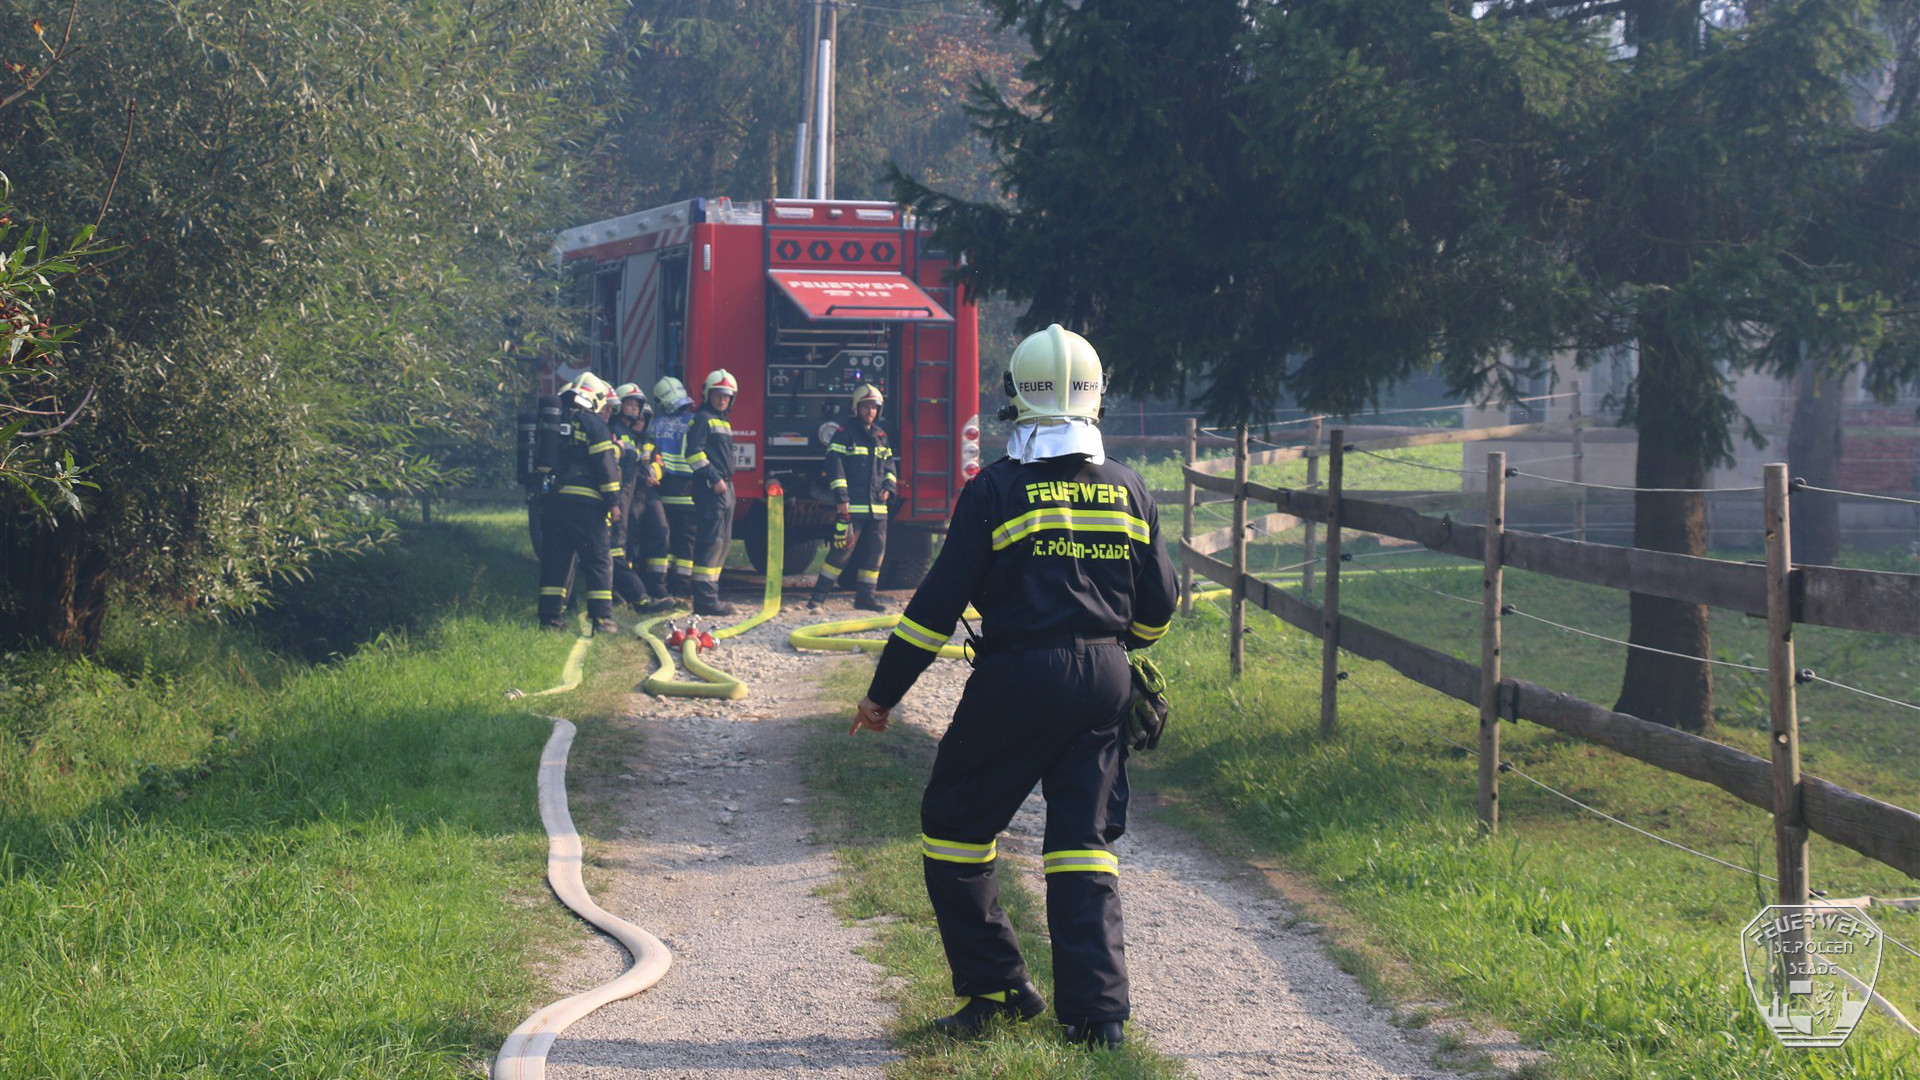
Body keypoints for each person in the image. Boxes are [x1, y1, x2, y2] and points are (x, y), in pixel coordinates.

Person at [849, 325, 1176, 1050]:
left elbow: (934, 610)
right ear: (1095, 399)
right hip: (1105, 680)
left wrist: (883, 695)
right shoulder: (1129, 488)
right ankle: (1098, 1019)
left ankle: (997, 988)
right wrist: (1119, 654)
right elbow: (1158, 609)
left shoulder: (994, 490)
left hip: (1018, 677)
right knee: (1083, 845)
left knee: (955, 825)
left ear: (1015, 398)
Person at [537, 372, 624, 634]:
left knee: (557, 558)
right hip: (586, 504)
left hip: (554, 501)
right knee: (597, 559)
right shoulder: (594, 424)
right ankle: (602, 619)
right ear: (595, 399)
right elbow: (605, 467)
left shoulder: (557, 420)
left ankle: (550, 618)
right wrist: (614, 502)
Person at [808, 382, 897, 612]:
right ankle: (817, 598)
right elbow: (834, 467)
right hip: (852, 507)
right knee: (841, 551)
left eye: (874, 407)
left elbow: (889, 466)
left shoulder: (881, 436)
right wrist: (842, 499)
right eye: (866, 407)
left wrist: (889, 486)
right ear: (856, 408)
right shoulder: (844, 434)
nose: (870, 412)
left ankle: (865, 598)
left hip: (878, 508)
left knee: (875, 554)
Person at [609, 383, 674, 612]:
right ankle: (629, 595)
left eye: (638, 407)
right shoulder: (615, 431)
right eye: (630, 404)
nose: (635, 411)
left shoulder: (641, 439)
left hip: (639, 495)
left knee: (651, 535)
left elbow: (658, 464)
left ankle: (649, 590)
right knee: (619, 545)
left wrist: (652, 474)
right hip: (622, 496)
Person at [685, 369, 741, 616]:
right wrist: (714, 478)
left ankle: (711, 596)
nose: (722, 399)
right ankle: (706, 601)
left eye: (727, 396)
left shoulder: (722, 421)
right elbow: (693, 454)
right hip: (712, 489)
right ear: (708, 394)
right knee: (711, 542)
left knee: (722, 543)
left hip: (725, 488)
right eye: (718, 395)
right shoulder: (703, 418)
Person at [650, 376, 698, 598]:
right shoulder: (693, 421)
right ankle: (683, 589)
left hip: (663, 492)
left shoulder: (655, 424)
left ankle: (662, 586)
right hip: (688, 493)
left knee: (664, 541)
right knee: (686, 543)